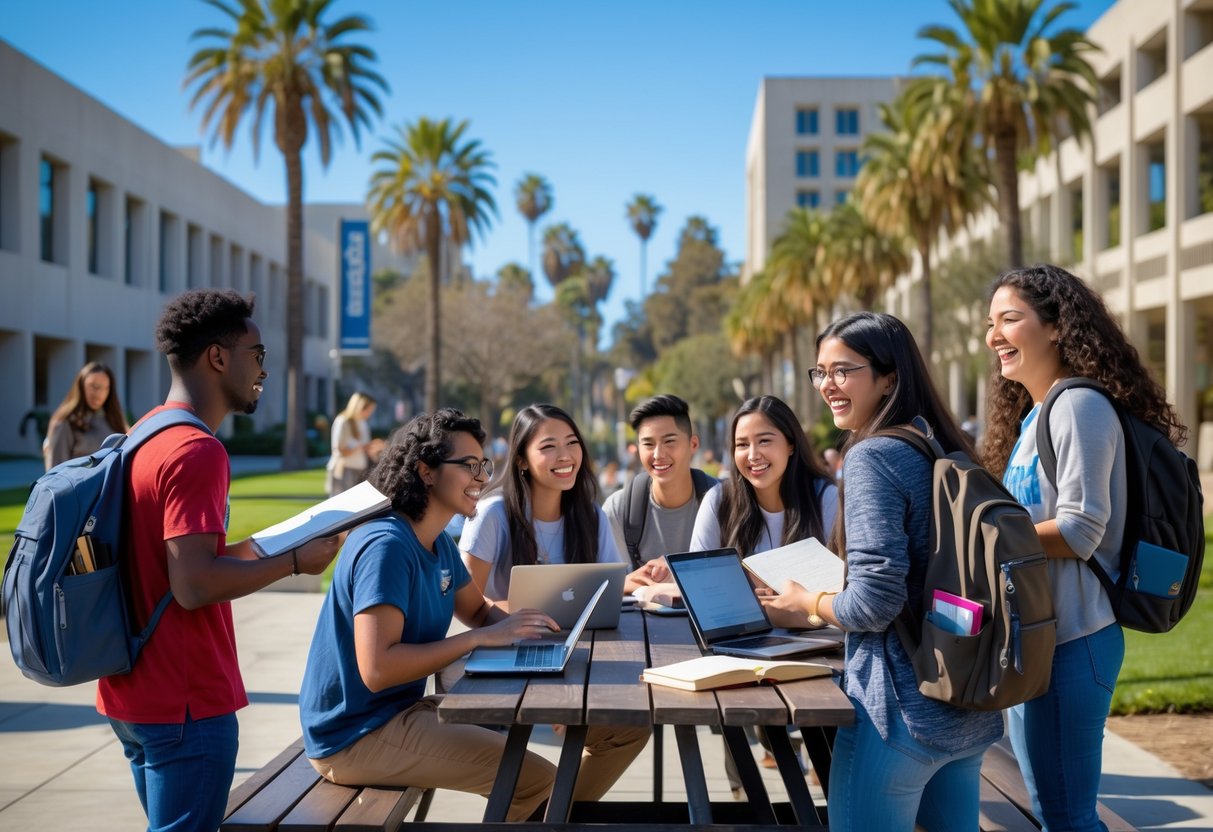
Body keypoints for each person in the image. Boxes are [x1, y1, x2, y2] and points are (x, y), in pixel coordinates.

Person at [97, 289, 341, 832]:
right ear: (218, 357)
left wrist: (265, 549)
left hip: (134, 694)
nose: (263, 371)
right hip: (186, 701)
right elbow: (194, 583)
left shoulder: (145, 433)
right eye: (258, 355)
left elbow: (172, 562)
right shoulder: (196, 450)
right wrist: (295, 562)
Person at [761, 312, 1002, 832]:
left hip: (899, 715)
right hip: (965, 704)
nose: (827, 384)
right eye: (820, 372)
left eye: (843, 370)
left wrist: (809, 602)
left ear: (889, 377)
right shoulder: (943, 445)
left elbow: (874, 602)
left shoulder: (873, 456)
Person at [984, 265, 1186, 831]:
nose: (993, 335)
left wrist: (984, 538)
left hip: (1074, 641)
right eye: (990, 323)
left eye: (1009, 319)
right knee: (1055, 814)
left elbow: (1079, 530)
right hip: (1036, 641)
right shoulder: (1034, 417)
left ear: (1054, 327)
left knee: (1068, 819)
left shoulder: (1079, 407)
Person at [299, 409, 558, 822]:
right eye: (469, 466)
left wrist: (539, 618)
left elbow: (476, 609)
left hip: (396, 716)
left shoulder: (438, 544)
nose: (482, 478)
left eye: (483, 465)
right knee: (537, 782)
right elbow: (378, 668)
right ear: (427, 472)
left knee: (532, 770)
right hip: (354, 737)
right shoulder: (386, 546)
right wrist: (476, 639)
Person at [459, 403, 649, 799]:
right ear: (523, 460)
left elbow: (605, 590)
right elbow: (465, 603)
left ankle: (555, 815)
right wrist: (522, 615)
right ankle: (551, 814)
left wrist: (633, 584)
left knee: (632, 729)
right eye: (548, 446)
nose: (565, 456)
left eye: (572, 443)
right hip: (504, 660)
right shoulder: (492, 514)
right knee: (530, 763)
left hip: (576, 659)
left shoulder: (591, 517)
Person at [688, 394, 838, 785]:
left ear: (791, 443)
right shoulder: (720, 500)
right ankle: (753, 774)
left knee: (829, 727)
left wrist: (787, 611)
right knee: (734, 698)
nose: (752, 454)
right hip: (746, 646)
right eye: (741, 444)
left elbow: (849, 590)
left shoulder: (827, 498)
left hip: (825, 648)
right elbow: (700, 582)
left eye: (764, 440)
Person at [602, 394, 711, 591]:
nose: (658, 454)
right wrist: (626, 582)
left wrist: (675, 567)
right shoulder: (618, 509)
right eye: (648, 444)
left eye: (669, 441)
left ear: (693, 444)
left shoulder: (723, 501)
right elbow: (608, 588)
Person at [44, 361, 129, 469]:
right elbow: (55, 472)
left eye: (106, 388)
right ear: (81, 386)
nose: (99, 394)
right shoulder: (65, 422)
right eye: (94, 386)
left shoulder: (115, 419)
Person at [327, 391, 384, 496]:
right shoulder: (343, 421)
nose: (370, 413)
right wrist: (365, 446)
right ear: (360, 407)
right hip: (344, 470)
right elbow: (340, 450)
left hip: (359, 469)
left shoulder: (362, 423)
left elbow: (364, 448)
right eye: (369, 410)